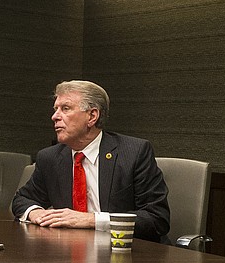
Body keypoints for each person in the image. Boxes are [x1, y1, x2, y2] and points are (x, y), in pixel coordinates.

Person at [12, 80, 170, 242]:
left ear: (92, 116)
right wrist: (37, 212)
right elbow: (22, 199)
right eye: (55, 109)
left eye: (65, 108)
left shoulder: (133, 152)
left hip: (128, 251)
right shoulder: (50, 157)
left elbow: (156, 218)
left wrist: (91, 220)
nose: (55, 116)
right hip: (69, 252)